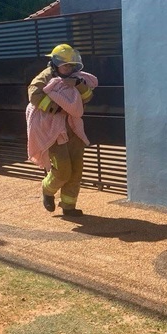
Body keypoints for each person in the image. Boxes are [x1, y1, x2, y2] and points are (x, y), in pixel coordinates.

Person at [26, 44, 98, 217]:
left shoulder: (78, 78)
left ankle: (68, 206)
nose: (69, 68)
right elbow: (34, 95)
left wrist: (79, 85)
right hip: (53, 130)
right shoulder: (45, 77)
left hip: (73, 127)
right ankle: (47, 189)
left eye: (72, 65)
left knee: (76, 169)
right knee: (63, 170)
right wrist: (55, 108)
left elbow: (87, 97)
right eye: (66, 65)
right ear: (55, 64)